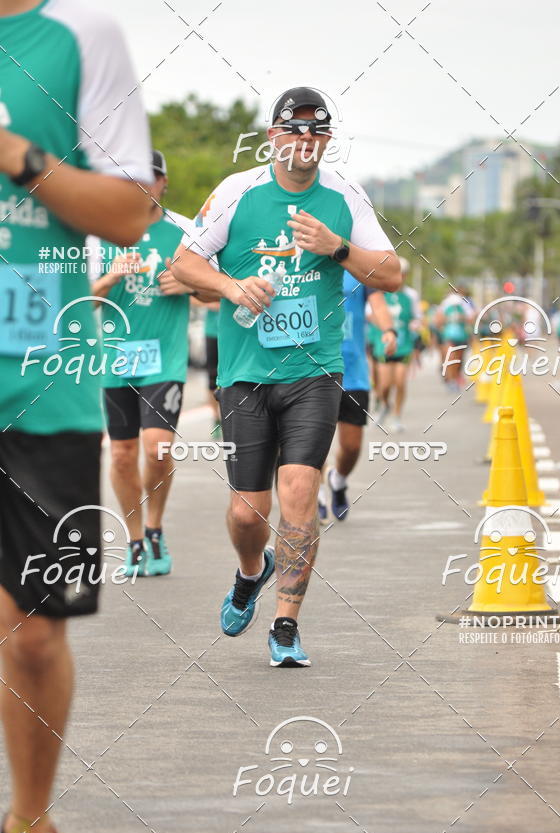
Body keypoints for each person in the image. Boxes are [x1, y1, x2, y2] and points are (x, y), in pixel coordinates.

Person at [0, 1, 151, 833]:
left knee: (33, 636)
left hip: (40, 381)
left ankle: (28, 819)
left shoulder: (82, 35)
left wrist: (19, 156)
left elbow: (131, 211)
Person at [170, 86, 401, 667]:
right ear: (273, 136)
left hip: (314, 371)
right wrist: (230, 285)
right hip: (245, 374)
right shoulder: (236, 192)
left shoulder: (345, 196)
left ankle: (285, 624)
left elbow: (391, 273)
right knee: (249, 513)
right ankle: (252, 571)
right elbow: (184, 261)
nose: (304, 142)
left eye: (315, 132)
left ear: (326, 141)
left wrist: (338, 246)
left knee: (299, 490)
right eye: (293, 131)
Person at [90, 150, 194, 577]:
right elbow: (82, 300)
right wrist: (112, 275)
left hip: (163, 359)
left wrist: (187, 281)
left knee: (157, 449)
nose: (144, 185)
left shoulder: (186, 231)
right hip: (114, 359)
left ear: (163, 183)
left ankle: (155, 528)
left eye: (152, 178)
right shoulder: (102, 233)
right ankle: (134, 539)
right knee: (121, 455)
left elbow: (215, 291)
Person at [319, 271, 397, 523]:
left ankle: (338, 480)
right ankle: (315, 494)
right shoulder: (305, 264)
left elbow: (378, 305)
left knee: (351, 447)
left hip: (352, 373)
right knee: (311, 442)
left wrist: (388, 330)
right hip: (312, 370)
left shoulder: (359, 269)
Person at [370, 259, 422, 431]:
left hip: (404, 345)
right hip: (383, 345)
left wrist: (414, 326)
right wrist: (385, 326)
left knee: (400, 382)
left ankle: (397, 416)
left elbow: (417, 318)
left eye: (403, 273)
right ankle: (384, 404)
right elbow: (369, 315)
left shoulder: (411, 296)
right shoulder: (378, 293)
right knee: (384, 385)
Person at [436, 290, 473, 390]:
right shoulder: (445, 306)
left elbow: (471, 319)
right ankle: (450, 380)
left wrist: (462, 318)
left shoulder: (464, 306)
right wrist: (443, 327)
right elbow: (438, 321)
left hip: (461, 336)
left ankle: (455, 377)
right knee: (450, 357)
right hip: (448, 337)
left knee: (458, 360)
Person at [204, 302, 222, 438]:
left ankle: (232, 415)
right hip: (212, 331)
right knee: (212, 378)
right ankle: (216, 418)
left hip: (234, 333)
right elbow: (192, 296)